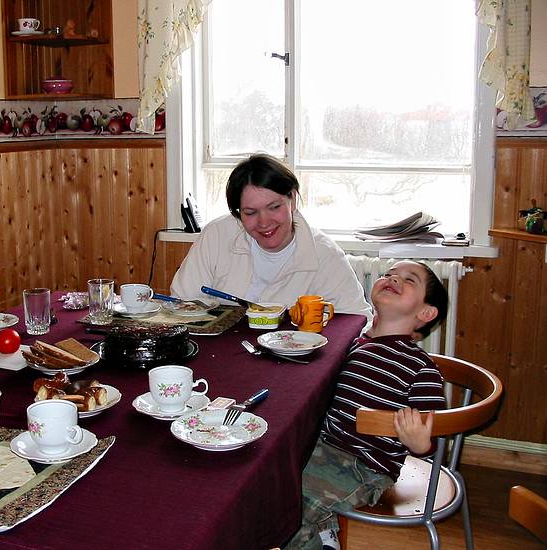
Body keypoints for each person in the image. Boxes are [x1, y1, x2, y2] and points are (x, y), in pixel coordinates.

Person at [285, 260, 449, 550]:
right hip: (322, 445)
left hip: (365, 463)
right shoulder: (356, 342)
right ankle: (324, 534)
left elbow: (429, 435)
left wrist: (421, 443)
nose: (393, 278)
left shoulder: (420, 366)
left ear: (425, 312)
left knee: (291, 507)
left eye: (409, 279)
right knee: (269, 482)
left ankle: (317, 535)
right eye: (389, 274)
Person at [170, 154, 372, 321]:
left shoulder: (325, 254)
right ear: (238, 213)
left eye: (274, 207)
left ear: (292, 199)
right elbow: (182, 301)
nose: (264, 223)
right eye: (250, 213)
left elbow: (357, 320)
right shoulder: (216, 235)